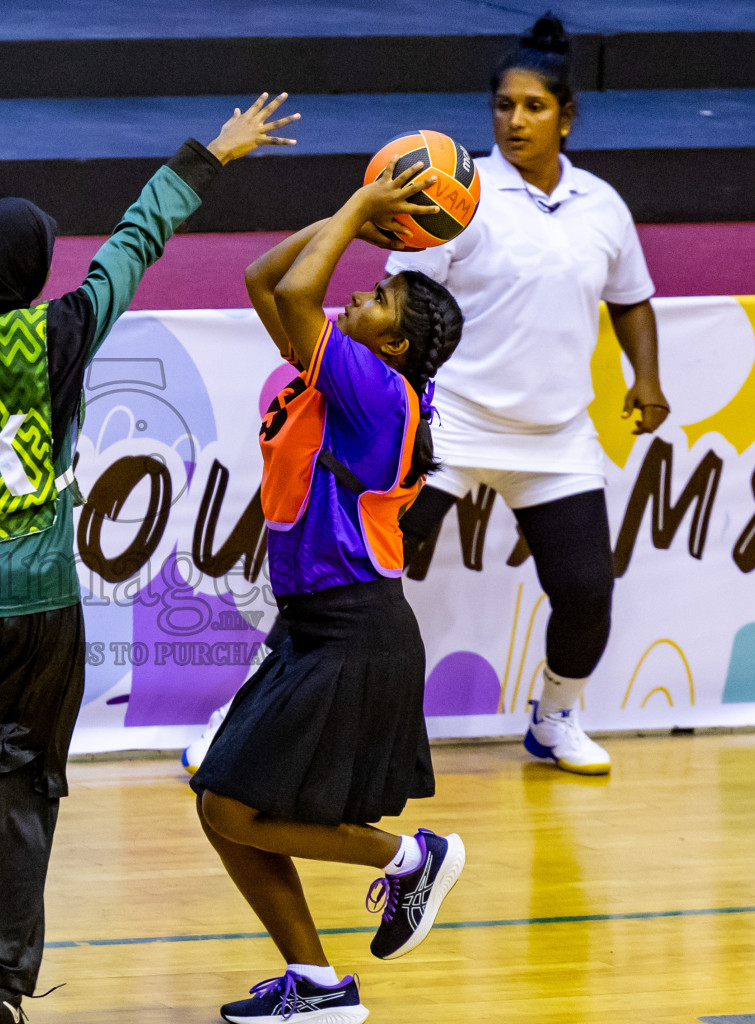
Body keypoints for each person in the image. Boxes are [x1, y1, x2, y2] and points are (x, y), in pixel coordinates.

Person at [0, 94, 300, 1024]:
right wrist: (210, 157)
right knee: (20, 806)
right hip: (33, 624)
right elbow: (134, 242)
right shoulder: (57, 335)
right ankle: (0, 994)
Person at [190, 161, 466, 1024]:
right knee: (222, 808)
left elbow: (303, 295)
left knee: (232, 801)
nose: (361, 292)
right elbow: (265, 279)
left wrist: (357, 208)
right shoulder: (340, 380)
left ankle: (409, 856)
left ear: (394, 346)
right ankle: (316, 987)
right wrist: (355, 212)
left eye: (380, 296)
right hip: (315, 626)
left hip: (355, 629)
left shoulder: (380, 392)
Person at [387, 13, 668, 775]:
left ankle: (556, 717)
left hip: (555, 437)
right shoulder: (463, 198)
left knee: (584, 590)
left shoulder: (603, 205)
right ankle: (252, 711)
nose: (516, 120)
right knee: (358, 575)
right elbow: (403, 298)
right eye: (504, 106)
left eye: (534, 107)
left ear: (567, 117)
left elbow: (631, 298)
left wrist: (646, 377)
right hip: (452, 422)